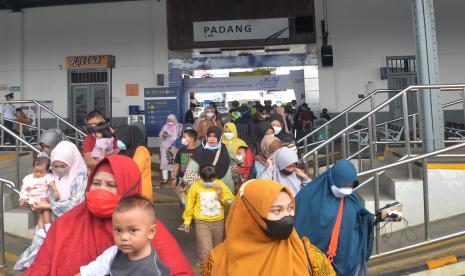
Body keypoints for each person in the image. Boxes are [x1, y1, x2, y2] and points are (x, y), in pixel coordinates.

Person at [25, 155, 194, 275]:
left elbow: (180, 271)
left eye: (111, 185)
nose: (101, 190)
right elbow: (41, 267)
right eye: (96, 183)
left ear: (129, 187)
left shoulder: (149, 229)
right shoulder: (65, 224)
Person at [202, 179, 336, 276]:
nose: (287, 216)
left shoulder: (310, 257)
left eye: (290, 208)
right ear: (251, 214)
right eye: (277, 210)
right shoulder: (216, 260)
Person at [15, 141, 88, 271]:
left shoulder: (80, 177)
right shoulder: (51, 175)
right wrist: (32, 200)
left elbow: (76, 203)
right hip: (48, 222)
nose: (59, 168)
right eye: (55, 165)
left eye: (63, 166)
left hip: (69, 225)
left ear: (71, 162)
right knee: (41, 256)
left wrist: (48, 206)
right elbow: (42, 190)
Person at [295, 159, 374, 276]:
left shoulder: (351, 197)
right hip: (319, 265)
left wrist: (372, 219)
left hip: (349, 262)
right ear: (332, 179)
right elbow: (301, 227)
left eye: (351, 186)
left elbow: (360, 216)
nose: (347, 190)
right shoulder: (308, 196)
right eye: (344, 186)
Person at [77, 195, 169, 276]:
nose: (123, 237)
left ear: (151, 232)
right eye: (118, 230)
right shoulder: (114, 253)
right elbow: (89, 272)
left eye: (133, 230)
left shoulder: (152, 271)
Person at [183, 165, 234, 267]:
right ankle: (206, 266)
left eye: (211, 180)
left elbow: (230, 201)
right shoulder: (195, 186)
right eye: (205, 180)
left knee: (217, 249)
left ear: (215, 177)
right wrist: (187, 220)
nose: (208, 182)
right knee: (206, 250)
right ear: (200, 177)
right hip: (201, 222)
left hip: (218, 221)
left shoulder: (220, 184)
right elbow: (189, 204)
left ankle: (206, 263)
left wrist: (221, 194)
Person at [184, 126, 234, 193]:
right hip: (205, 192)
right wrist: (198, 188)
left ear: (219, 137)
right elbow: (190, 172)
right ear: (207, 137)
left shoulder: (227, 149)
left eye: (215, 136)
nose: (212, 139)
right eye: (210, 136)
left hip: (226, 190)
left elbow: (233, 167)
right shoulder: (200, 150)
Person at [114, 125, 153, 201]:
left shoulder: (141, 150)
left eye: (121, 138)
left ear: (129, 137)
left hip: (141, 193)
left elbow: (134, 170)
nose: (118, 141)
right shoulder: (130, 151)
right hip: (134, 192)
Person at [19, 157, 54, 238]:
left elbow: (51, 182)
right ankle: (41, 229)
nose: (38, 174)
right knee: (38, 213)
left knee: (46, 211)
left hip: (44, 199)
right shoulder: (29, 178)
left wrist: (55, 190)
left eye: (41, 172)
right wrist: (23, 198)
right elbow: (24, 189)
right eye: (36, 171)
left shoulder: (48, 176)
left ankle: (47, 226)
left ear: (47, 170)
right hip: (33, 199)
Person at [171, 128, 198, 231]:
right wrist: (174, 178)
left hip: (195, 180)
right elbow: (177, 164)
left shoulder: (199, 151)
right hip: (183, 180)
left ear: (191, 139)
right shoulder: (181, 151)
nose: (183, 139)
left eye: (184, 137)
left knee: (194, 200)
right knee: (184, 201)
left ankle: (195, 219)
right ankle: (187, 221)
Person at [159, 114, 183, 184]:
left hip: (175, 147)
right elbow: (161, 136)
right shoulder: (165, 126)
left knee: (173, 162)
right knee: (164, 162)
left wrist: (173, 136)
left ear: (175, 120)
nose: (170, 122)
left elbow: (181, 136)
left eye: (171, 120)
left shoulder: (179, 126)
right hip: (165, 147)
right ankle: (165, 179)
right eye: (168, 120)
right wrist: (164, 135)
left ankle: (174, 178)